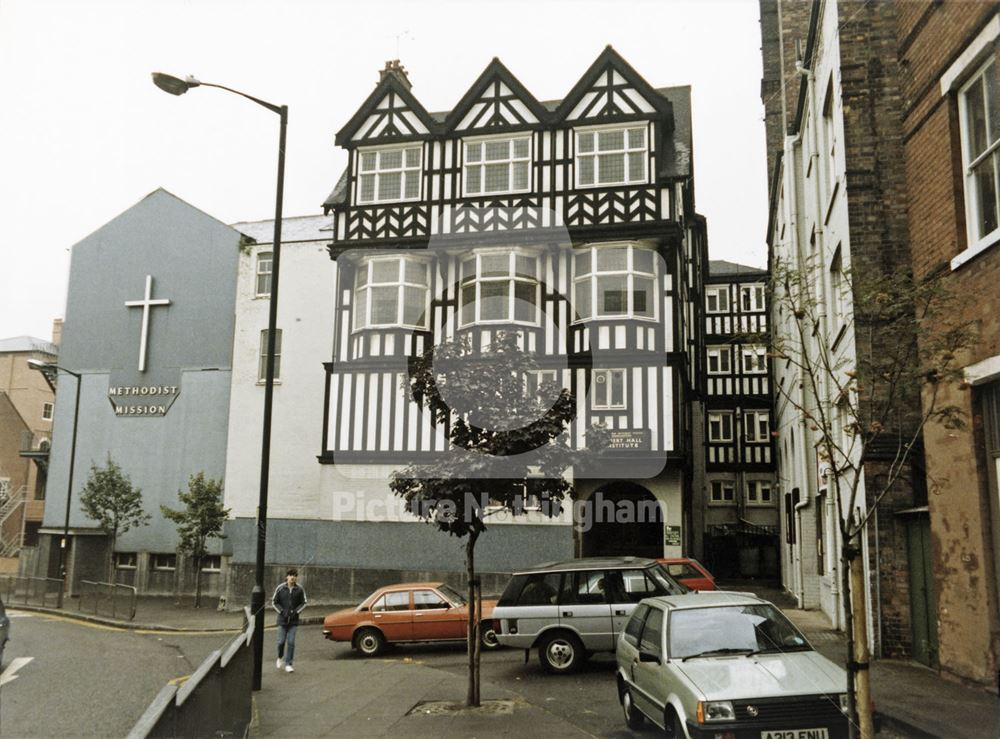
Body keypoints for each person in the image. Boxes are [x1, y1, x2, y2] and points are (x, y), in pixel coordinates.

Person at [272, 568, 307, 673]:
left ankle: (288, 664)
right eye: (291, 575)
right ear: (287, 577)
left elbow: (304, 602)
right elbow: (274, 602)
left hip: (293, 621)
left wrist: (295, 612)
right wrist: (282, 611)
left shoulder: (299, 589)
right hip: (282, 620)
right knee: (281, 642)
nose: (293, 577)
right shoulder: (280, 588)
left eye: (295, 575)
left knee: (291, 642)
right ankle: (280, 657)